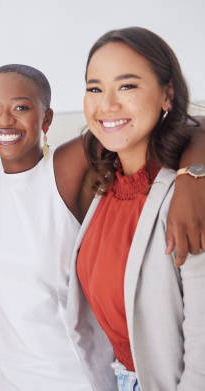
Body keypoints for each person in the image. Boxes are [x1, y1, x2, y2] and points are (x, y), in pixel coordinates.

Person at [0, 59, 205, 388]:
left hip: (74, 377)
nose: (4, 120)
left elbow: (190, 126)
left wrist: (193, 179)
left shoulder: (65, 168)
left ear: (47, 118)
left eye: (21, 107)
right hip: (5, 377)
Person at [66, 27, 205, 391]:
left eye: (127, 86)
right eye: (95, 88)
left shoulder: (188, 198)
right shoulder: (103, 187)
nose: (107, 105)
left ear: (167, 95)